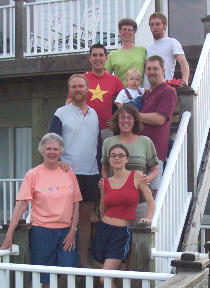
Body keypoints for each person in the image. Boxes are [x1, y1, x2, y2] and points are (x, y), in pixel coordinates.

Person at [0, 133, 82, 288]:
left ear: (61, 152)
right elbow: (21, 205)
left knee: (68, 272)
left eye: (56, 149)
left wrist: (73, 229)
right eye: (48, 149)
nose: (52, 152)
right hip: (42, 231)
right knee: (44, 276)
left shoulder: (68, 172)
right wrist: (9, 234)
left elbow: (76, 203)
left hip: (67, 231)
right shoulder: (33, 174)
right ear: (42, 151)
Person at [49, 74, 102, 268]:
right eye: (74, 87)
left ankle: (82, 262)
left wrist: (100, 169)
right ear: (70, 90)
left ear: (87, 88)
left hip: (90, 172)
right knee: (66, 217)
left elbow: (98, 145)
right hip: (67, 172)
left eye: (81, 86)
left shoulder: (94, 113)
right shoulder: (61, 112)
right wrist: (59, 162)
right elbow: (52, 141)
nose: (78, 89)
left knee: (86, 218)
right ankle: (65, 263)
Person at [93, 144, 155, 287]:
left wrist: (148, 220)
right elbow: (103, 208)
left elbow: (151, 203)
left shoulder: (137, 176)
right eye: (113, 155)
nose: (117, 158)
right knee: (111, 279)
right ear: (108, 159)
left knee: (105, 279)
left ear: (127, 159)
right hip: (103, 231)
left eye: (121, 155)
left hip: (121, 234)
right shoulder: (105, 183)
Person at [101, 105, 158, 224]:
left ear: (135, 121)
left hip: (141, 202)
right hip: (117, 204)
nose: (125, 120)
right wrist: (105, 183)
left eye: (129, 117)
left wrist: (147, 178)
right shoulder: (108, 142)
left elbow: (155, 170)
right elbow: (105, 169)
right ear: (117, 120)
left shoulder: (145, 142)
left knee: (140, 240)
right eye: (122, 117)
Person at [65, 43, 124, 142]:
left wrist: (116, 119)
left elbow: (125, 104)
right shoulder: (82, 79)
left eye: (101, 55)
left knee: (107, 156)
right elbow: (68, 104)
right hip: (84, 128)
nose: (98, 58)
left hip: (106, 130)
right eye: (94, 55)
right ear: (90, 58)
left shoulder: (115, 80)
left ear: (106, 58)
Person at [140, 55, 178, 198]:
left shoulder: (168, 91)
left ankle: (153, 222)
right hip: (139, 150)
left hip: (154, 153)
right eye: (148, 69)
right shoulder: (147, 93)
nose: (152, 72)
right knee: (139, 195)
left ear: (163, 70)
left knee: (152, 196)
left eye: (155, 68)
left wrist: (134, 116)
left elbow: (159, 119)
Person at [143, 12, 189, 88]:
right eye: (152, 24)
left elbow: (183, 62)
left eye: (157, 24)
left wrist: (184, 80)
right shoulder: (148, 48)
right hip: (148, 91)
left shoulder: (172, 42)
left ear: (164, 26)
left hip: (165, 89)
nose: (154, 27)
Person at [105, 18, 146, 87]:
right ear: (119, 32)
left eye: (129, 30)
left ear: (133, 33)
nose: (126, 32)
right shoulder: (112, 55)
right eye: (124, 29)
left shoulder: (142, 51)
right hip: (120, 94)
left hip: (139, 94)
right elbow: (106, 78)